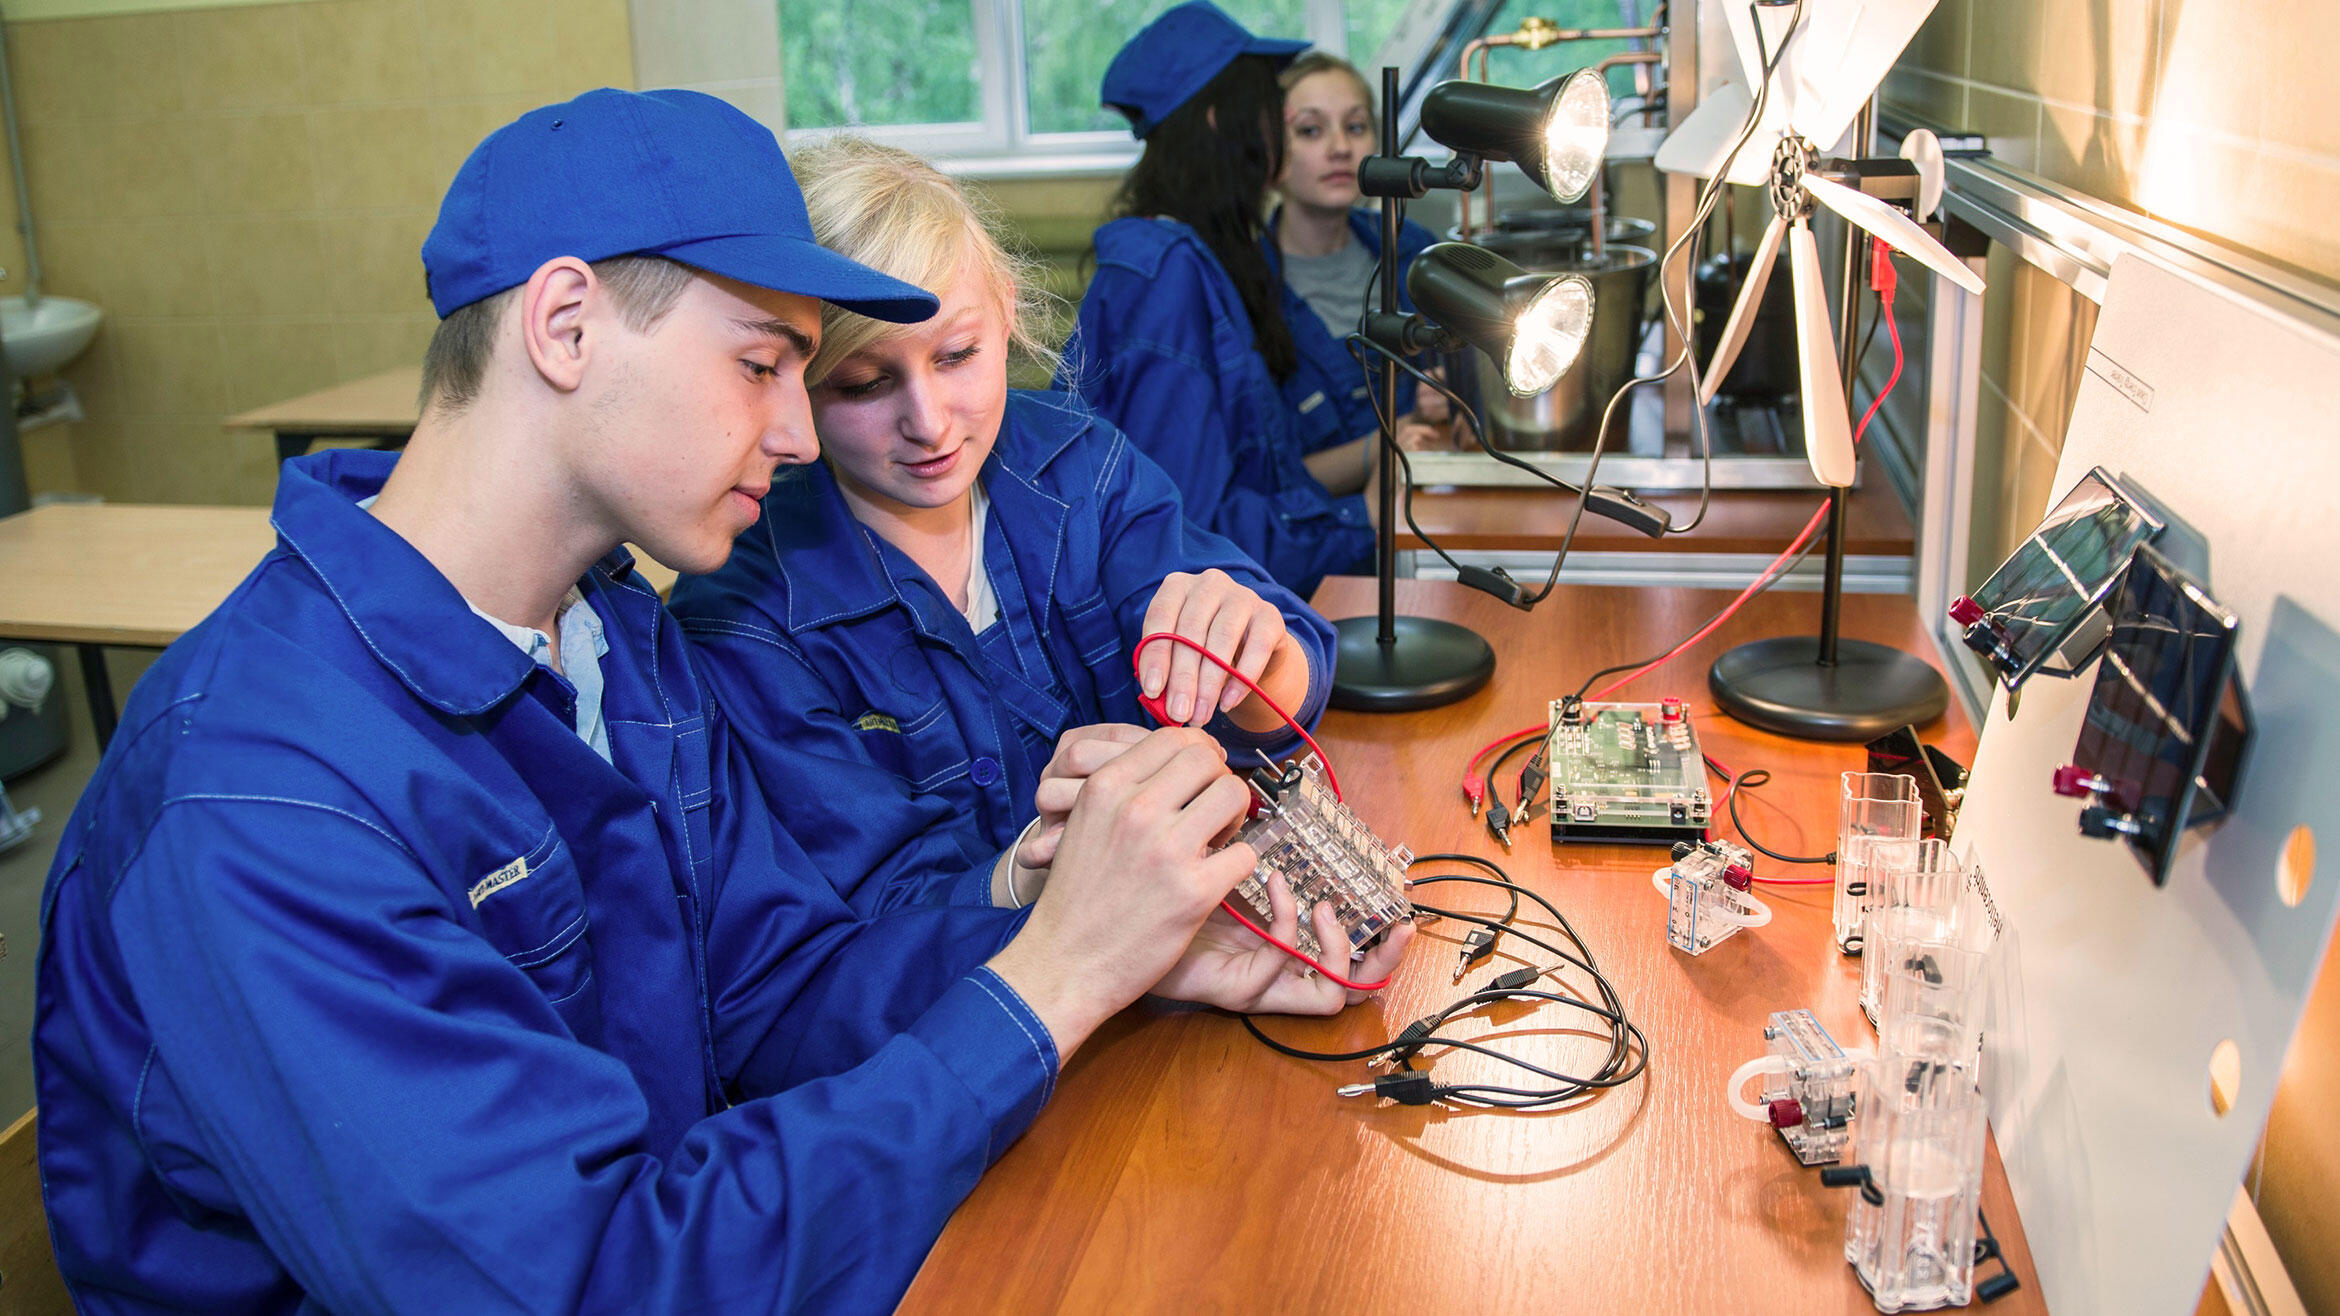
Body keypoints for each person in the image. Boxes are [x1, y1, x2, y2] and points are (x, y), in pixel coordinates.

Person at [32, 89, 1409, 1315]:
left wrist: (1101, 936)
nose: (806, 434)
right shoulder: (260, 798)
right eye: (766, 365)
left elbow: (784, 991)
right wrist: (1048, 987)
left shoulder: (613, 649)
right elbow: (581, 1278)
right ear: (565, 325)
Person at [668, 137, 1339, 917]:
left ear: (1007, 314)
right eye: (864, 383)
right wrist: (1034, 870)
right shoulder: (745, 611)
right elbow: (857, 929)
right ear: (794, 382)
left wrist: (1263, 667)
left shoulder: (1077, 465)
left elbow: (1294, 664)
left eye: (956, 356)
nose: (928, 423)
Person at [1057, 1, 1374, 599]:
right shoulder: (1165, 280)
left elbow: (1255, 481)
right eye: (1266, 111)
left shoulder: (1203, 259)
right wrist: (1364, 521)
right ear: (1214, 120)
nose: (1278, 130)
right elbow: (1183, 540)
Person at [1268, 50, 1453, 460]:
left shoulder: (1413, 249)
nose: (1340, 148)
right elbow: (1271, 483)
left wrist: (1451, 396)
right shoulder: (1242, 284)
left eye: (1355, 127)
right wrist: (1394, 439)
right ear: (1270, 154)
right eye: (1311, 130)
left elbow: (1462, 374)